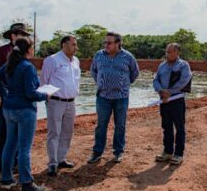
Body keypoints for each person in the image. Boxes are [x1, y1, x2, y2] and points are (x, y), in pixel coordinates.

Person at [0, 37, 51, 191]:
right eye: (32, 47)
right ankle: (26, 184)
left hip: (9, 109)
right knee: (24, 148)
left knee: (10, 144)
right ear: (28, 49)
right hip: (25, 111)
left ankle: (7, 179)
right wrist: (46, 95)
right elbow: (31, 94)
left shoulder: (10, 64)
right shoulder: (27, 67)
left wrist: (4, 94)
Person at [0, 22, 30, 181]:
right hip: (7, 102)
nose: (24, 37)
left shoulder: (24, 53)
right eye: (21, 34)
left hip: (21, 103)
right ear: (13, 36)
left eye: (25, 35)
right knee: (3, 134)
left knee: (18, 135)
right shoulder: (3, 52)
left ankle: (14, 164)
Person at [88, 32, 139, 164]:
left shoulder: (127, 57)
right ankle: (97, 152)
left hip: (121, 97)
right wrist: (101, 82)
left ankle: (118, 151)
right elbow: (93, 71)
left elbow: (135, 73)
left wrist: (123, 85)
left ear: (118, 43)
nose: (106, 45)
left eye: (109, 43)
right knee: (101, 125)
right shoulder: (99, 55)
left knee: (120, 125)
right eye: (105, 42)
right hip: (103, 96)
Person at [40, 36, 80, 177]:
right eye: (73, 44)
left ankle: (61, 158)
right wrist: (47, 97)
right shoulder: (52, 60)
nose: (76, 47)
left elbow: (76, 80)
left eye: (76, 45)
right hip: (56, 102)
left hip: (71, 102)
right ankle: (52, 163)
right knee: (54, 132)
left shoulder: (75, 61)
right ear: (64, 45)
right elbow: (44, 80)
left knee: (67, 131)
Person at [152, 43, 192, 165]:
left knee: (179, 127)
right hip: (164, 100)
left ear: (177, 52)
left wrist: (170, 91)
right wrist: (161, 90)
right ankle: (168, 152)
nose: (167, 54)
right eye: (166, 52)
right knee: (166, 126)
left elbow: (184, 80)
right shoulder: (162, 66)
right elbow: (155, 80)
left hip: (177, 100)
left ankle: (179, 154)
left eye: (170, 52)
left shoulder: (183, 65)